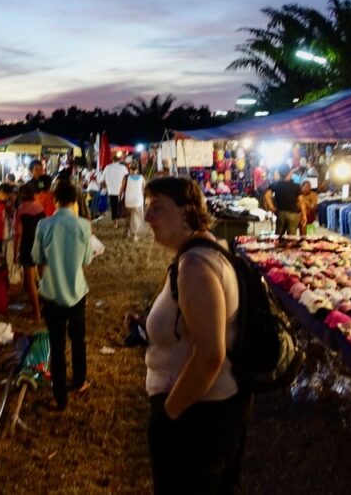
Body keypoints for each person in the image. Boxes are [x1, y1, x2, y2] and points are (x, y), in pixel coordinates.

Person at [143, 176, 250, 494]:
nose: (148, 216)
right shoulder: (198, 254)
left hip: (196, 418)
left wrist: (168, 415)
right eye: (148, 207)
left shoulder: (196, 266)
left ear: (188, 212)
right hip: (201, 413)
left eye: (158, 208)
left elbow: (209, 356)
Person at [32, 178, 94, 410]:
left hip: (51, 292)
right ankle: (79, 381)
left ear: (55, 200)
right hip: (77, 291)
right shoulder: (84, 226)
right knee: (78, 340)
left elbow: (37, 257)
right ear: (75, 201)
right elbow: (87, 259)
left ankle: (60, 397)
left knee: (57, 346)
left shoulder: (44, 225)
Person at [13, 182, 46, 320]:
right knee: (44, 279)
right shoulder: (40, 208)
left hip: (27, 246)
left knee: (31, 281)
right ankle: (47, 308)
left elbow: (18, 233)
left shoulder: (20, 210)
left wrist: (15, 253)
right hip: (41, 244)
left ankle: (36, 312)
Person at [264, 164, 301, 236]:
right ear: (289, 173)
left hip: (280, 213)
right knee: (291, 238)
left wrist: (272, 207)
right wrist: (304, 214)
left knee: (279, 236)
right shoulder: (296, 186)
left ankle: (278, 246)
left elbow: (267, 196)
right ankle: (289, 247)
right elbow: (301, 200)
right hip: (293, 213)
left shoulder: (275, 184)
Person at [120, 161, 146, 240]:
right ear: (137, 169)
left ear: (129, 169)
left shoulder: (126, 177)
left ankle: (126, 232)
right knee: (136, 218)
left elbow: (122, 188)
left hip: (128, 200)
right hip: (138, 200)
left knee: (128, 216)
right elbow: (144, 189)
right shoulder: (141, 178)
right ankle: (134, 235)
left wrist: (120, 195)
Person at [102, 156, 129, 228]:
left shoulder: (107, 167)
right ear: (119, 160)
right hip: (120, 190)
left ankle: (115, 223)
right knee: (122, 206)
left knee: (113, 207)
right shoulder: (123, 167)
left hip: (111, 190)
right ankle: (125, 221)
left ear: (112, 160)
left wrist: (106, 187)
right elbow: (126, 177)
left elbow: (102, 180)